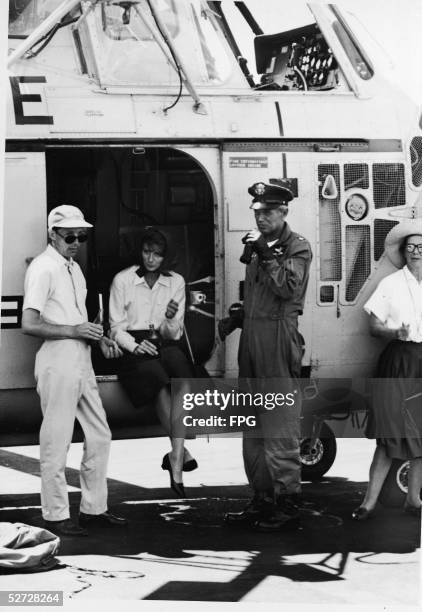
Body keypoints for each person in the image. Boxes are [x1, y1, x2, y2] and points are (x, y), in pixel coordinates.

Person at [22, 205, 127, 537]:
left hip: (81, 358)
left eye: (82, 236)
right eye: (70, 236)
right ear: (53, 234)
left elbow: (80, 322)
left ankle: (94, 509)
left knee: (100, 434)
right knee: (57, 440)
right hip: (57, 360)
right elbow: (29, 323)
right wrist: (75, 331)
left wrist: (101, 339)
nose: (76, 242)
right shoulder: (44, 269)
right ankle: (55, 515)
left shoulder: (73, 269)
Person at [223, 180, 312, 531]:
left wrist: (264, 251)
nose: (261, 218)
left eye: (268, 212)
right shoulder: (259, 247)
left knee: (278, 425)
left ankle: (287, 504)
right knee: (253, 428)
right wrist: (237, 316)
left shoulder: (297, 247)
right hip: (253, 340)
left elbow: (288, 288)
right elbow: (258, 294)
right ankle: (261, 499)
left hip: (278, 338)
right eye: (257, 213)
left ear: (284, 212)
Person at [109, 228, 197, 498]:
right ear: (140, 251)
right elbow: (115, 328)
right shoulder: (123, 280)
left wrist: (171, 318)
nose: (150, 259)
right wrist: (135, 346)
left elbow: (175, 334)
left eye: (157, 254)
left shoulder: (176, 282)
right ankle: (179, 462)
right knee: (157, 381)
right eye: (147, 252)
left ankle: (176, 454)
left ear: (165, 257)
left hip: (164, 342)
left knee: (183, 379)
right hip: (133, 345)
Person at [352, 219, 422, 520]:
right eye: (411, 248)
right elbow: (373, 326)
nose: (417, 252)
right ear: (403, 252)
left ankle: (414, 500)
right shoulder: (391, 284)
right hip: (399, 362)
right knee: (388, 436)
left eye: (421, 247)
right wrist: (395, 332)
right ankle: (368, 503)